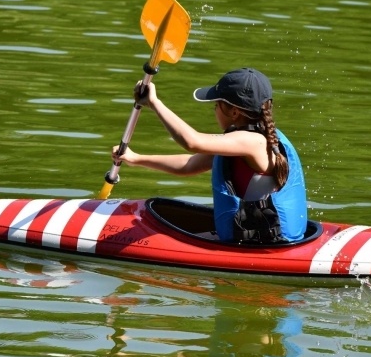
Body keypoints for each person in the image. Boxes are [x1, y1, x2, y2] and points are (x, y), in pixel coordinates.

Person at [111, 67, 307, 243]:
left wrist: (154, 103)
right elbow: (188, 165)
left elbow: (192, 142)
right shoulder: (246, 142)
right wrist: (135, 158)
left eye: (216, 105)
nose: (214, 110)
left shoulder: (253, 142)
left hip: (266, 244)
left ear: (234, 112)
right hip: (257, 238)